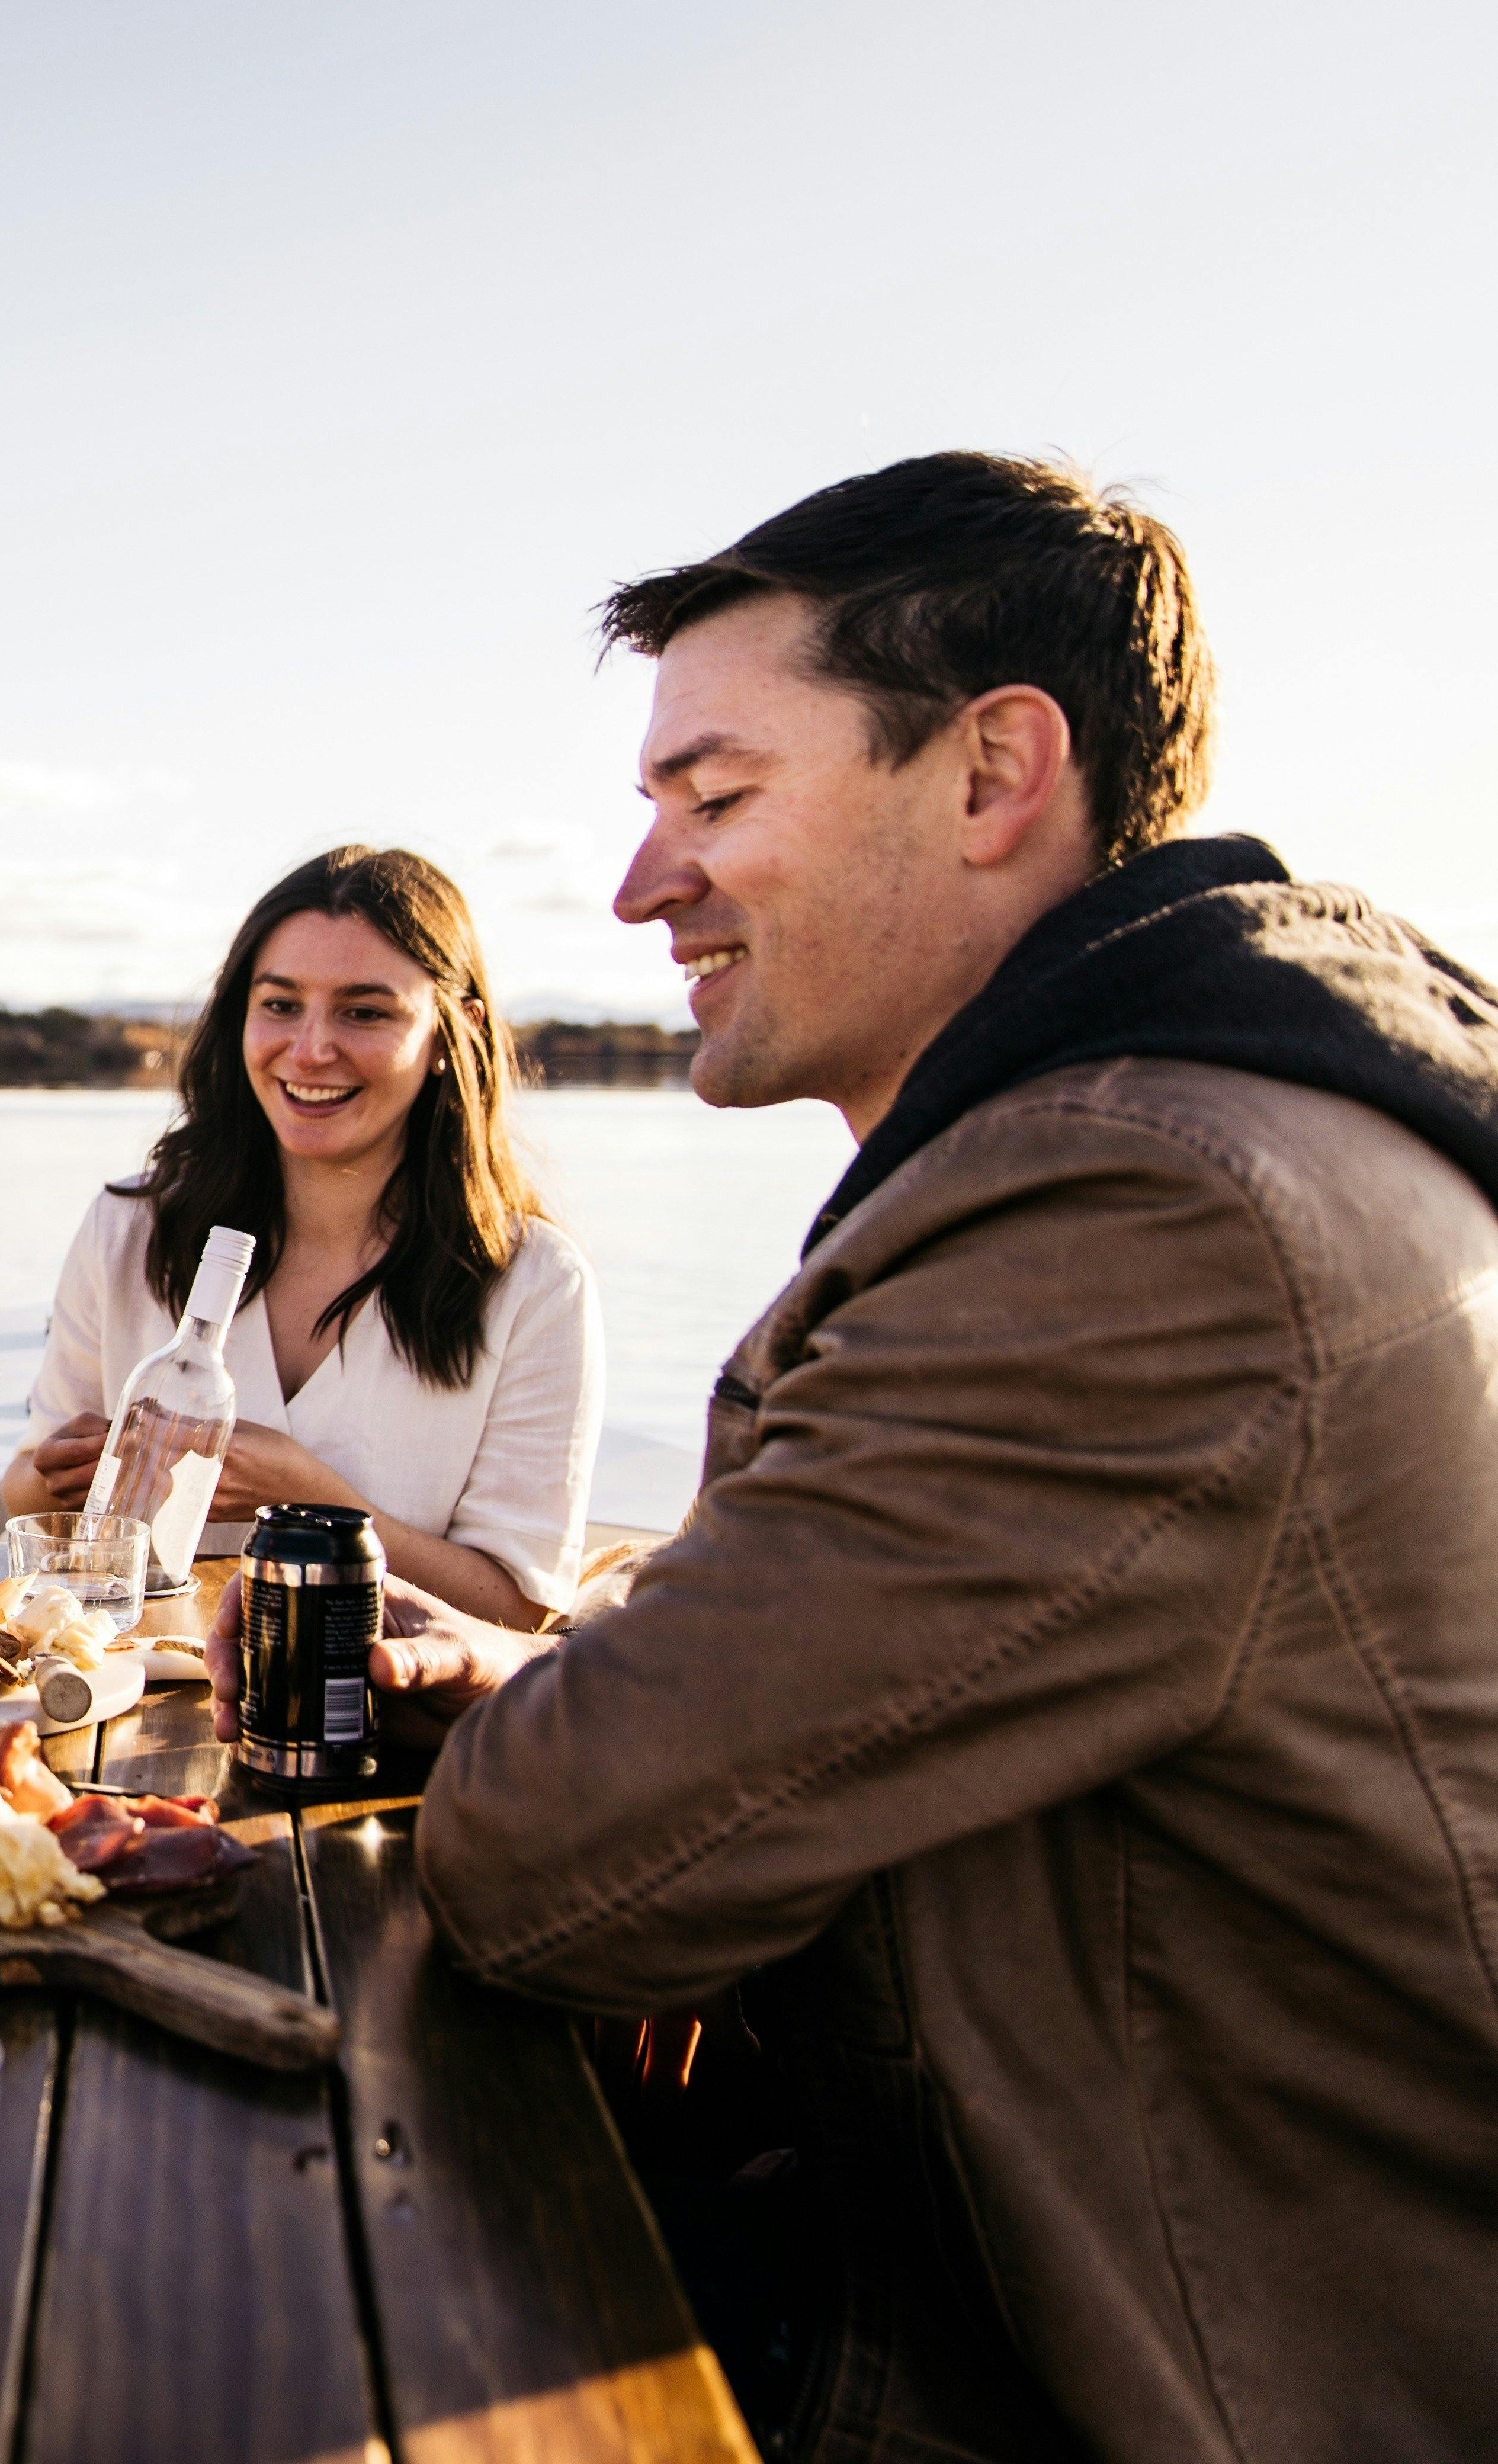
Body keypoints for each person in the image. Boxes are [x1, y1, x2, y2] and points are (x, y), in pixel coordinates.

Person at [222, 455, 1498, 2462]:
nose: (646, 888)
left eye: (716, 801)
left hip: (1116, 2376)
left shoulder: (1140, 1210)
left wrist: (558, 1730)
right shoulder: (1204, 1127)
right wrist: (555, 1682)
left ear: (995, 774)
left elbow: (562, 1879)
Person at [4, 846, 601, 1624]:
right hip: (126, 1696)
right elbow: (21, 1494)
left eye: (366, 1011)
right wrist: (59, 1477)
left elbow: (520, 1611)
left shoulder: (534, 1283)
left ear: (454, 1036)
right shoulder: (128, 1232)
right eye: (281, 1005)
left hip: (389, 1719)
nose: (311, 1049)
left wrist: (313, 1501)